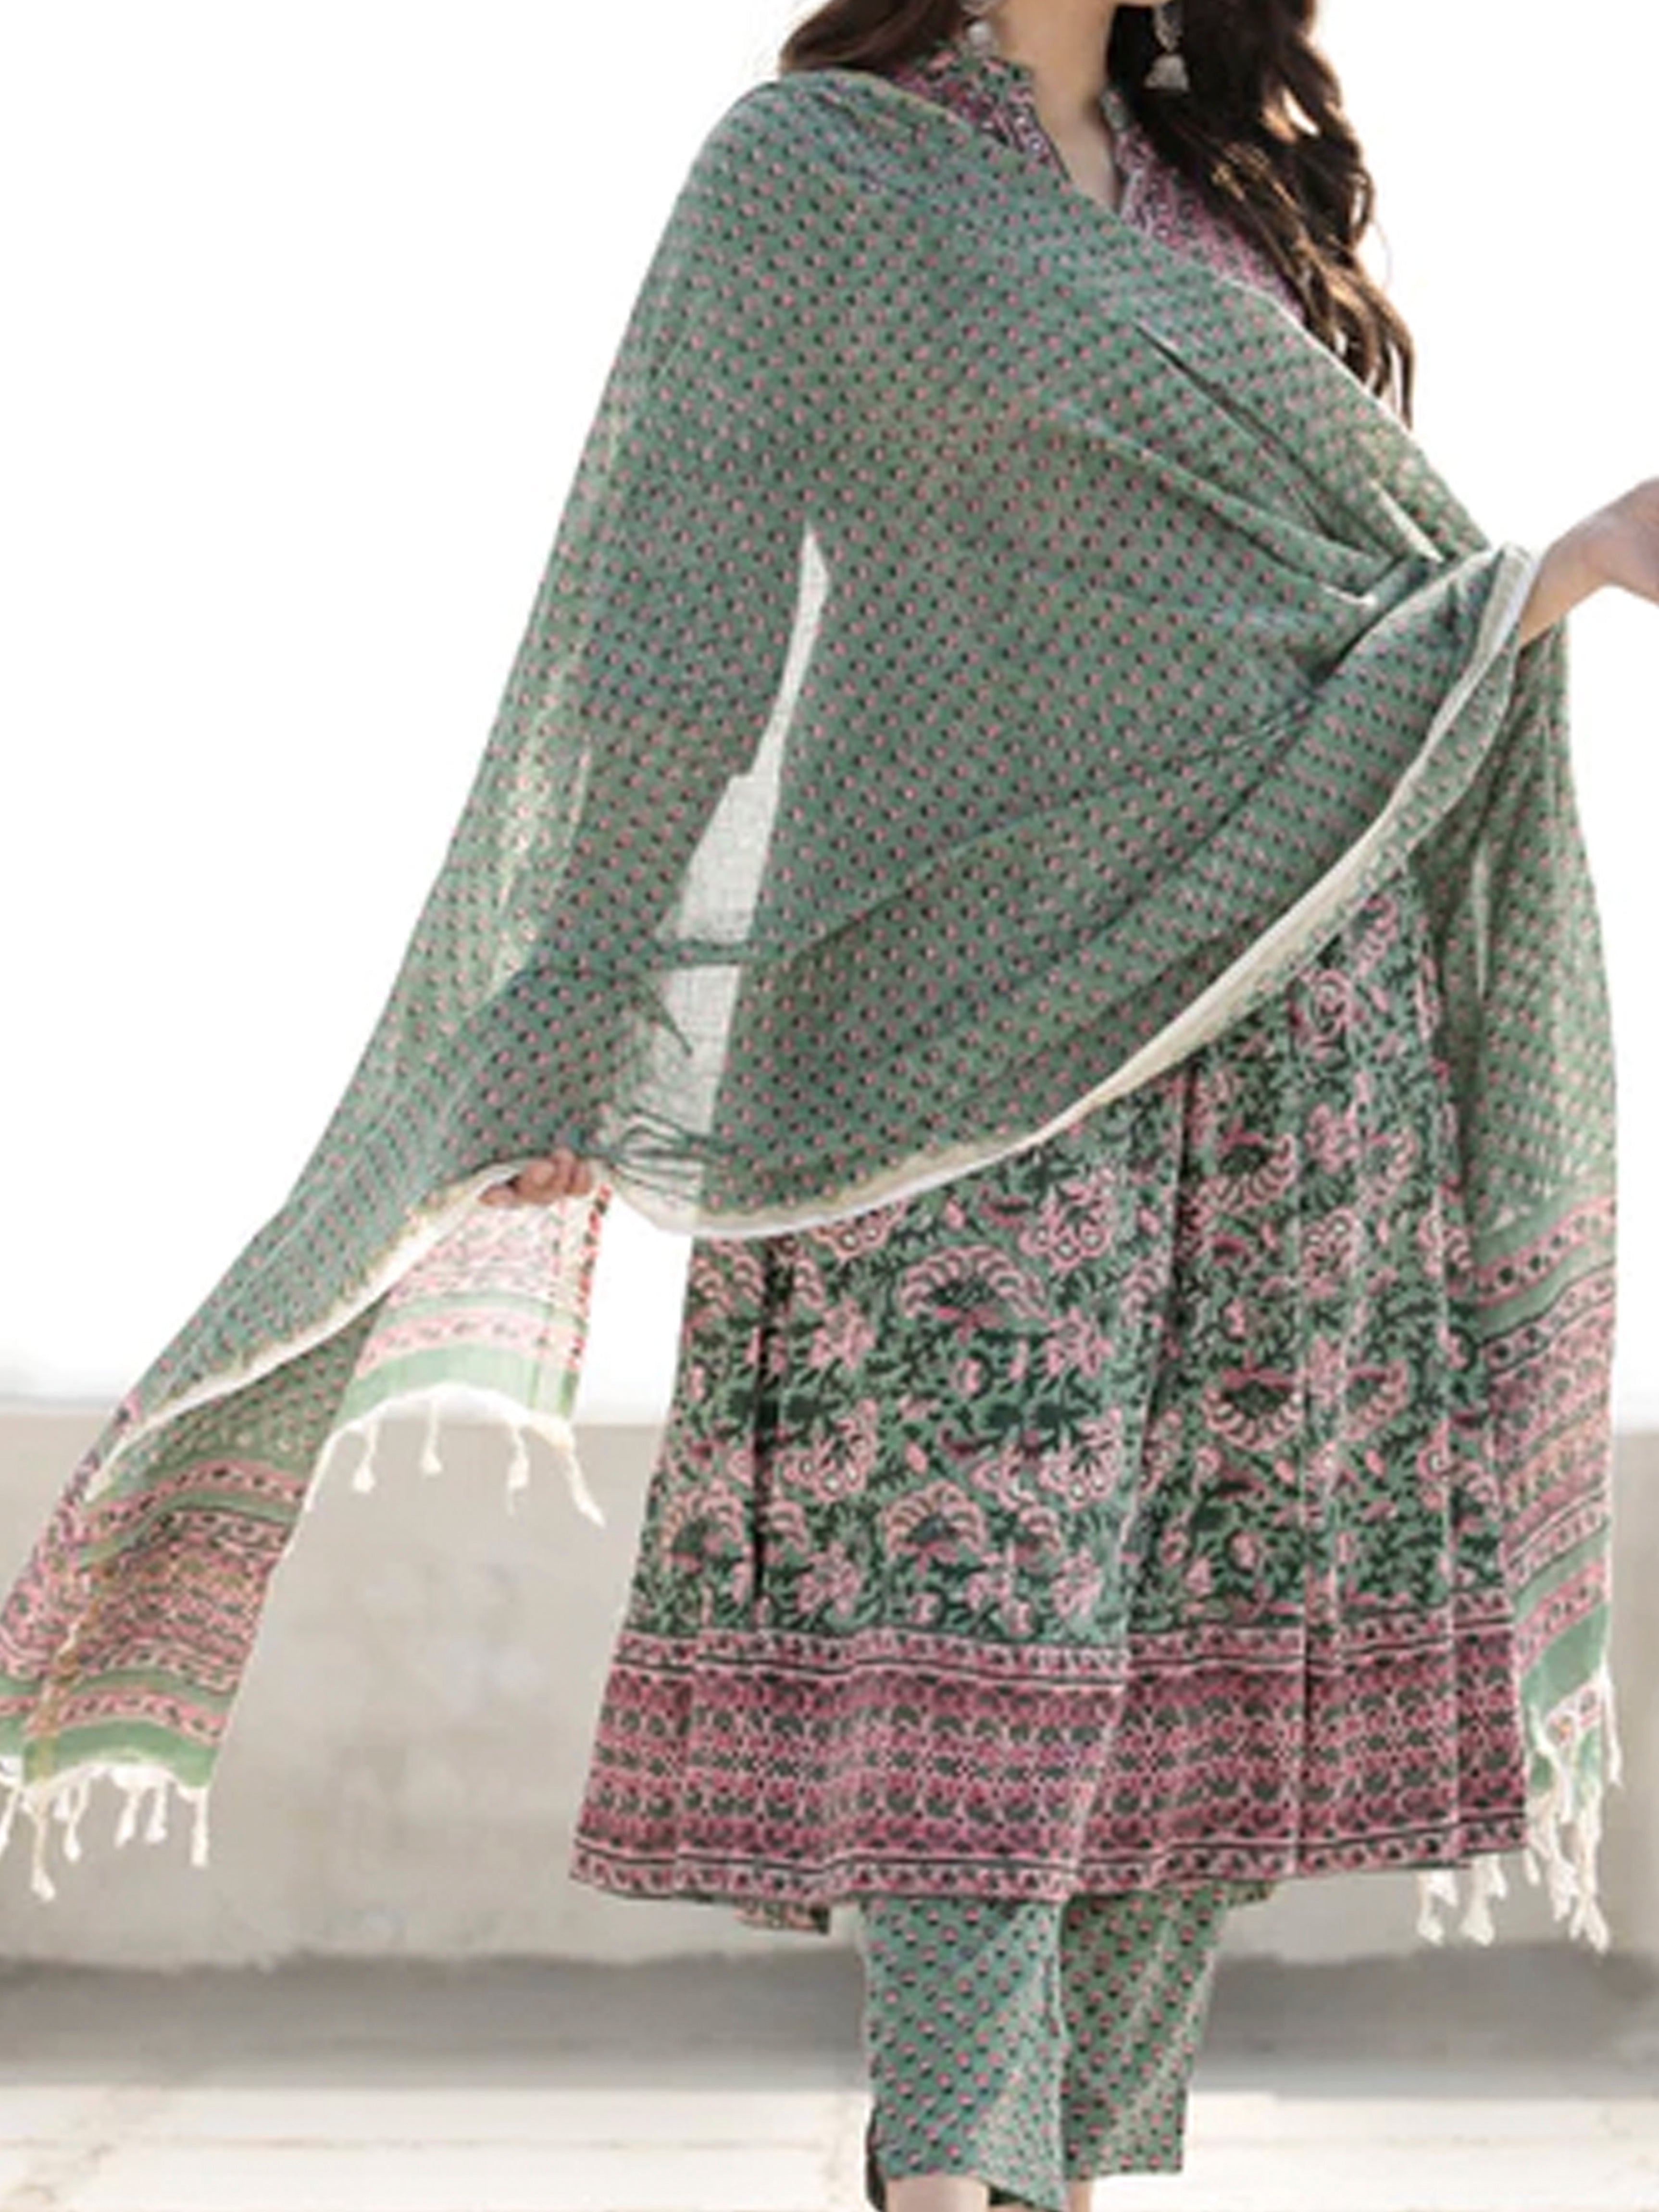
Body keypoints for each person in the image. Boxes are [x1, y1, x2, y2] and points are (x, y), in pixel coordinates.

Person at [0, 6, 1653, 2212]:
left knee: (1185, 1637)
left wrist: (1561, 564)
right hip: (935, 1042)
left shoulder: (1227, 208)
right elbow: (671, 632)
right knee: (973, 1612)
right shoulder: (812, 175)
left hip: (1272, 1023)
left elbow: (1339, 621)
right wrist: (581, 994)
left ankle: (1040, 2174)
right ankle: (944, 2172)